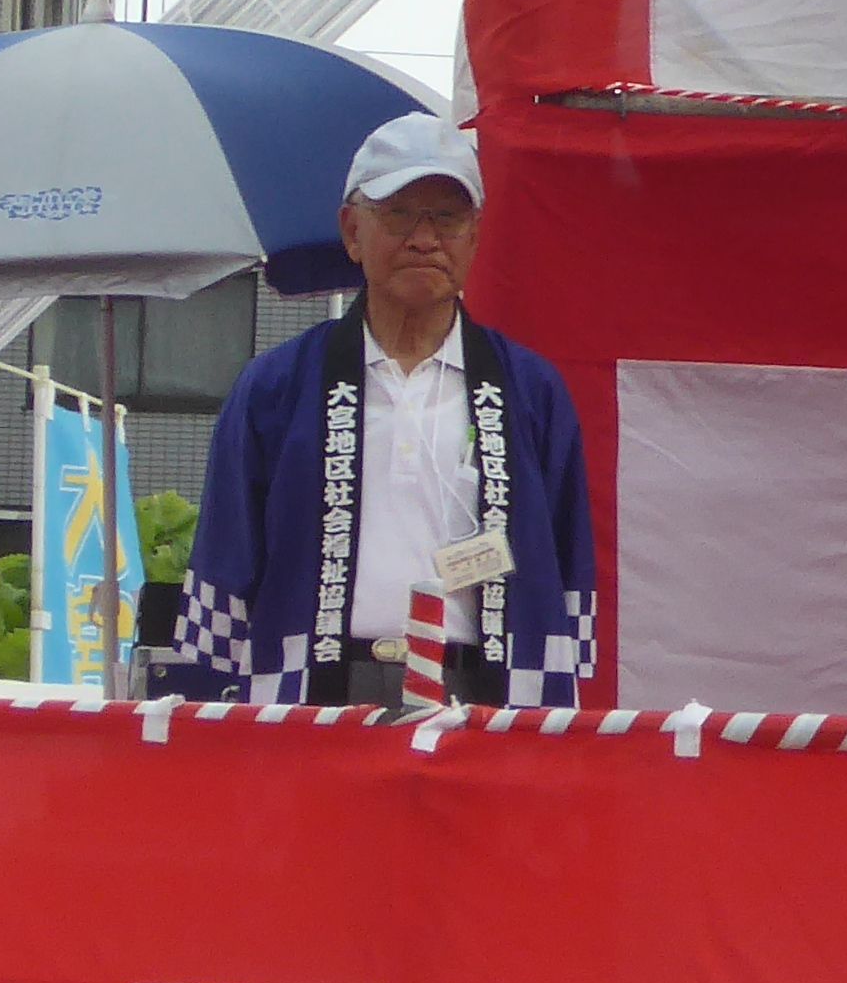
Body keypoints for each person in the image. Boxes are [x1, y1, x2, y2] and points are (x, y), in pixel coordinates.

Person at [172, 112, 597, 709]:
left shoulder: (530, 391)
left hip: (486, 693)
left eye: (446, 218)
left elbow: (568, 566)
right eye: (398, 214)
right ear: (352, 231)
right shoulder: (277, 388)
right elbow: (227, 561)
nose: (424, 239)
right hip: (314, 692)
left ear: (475, 234)